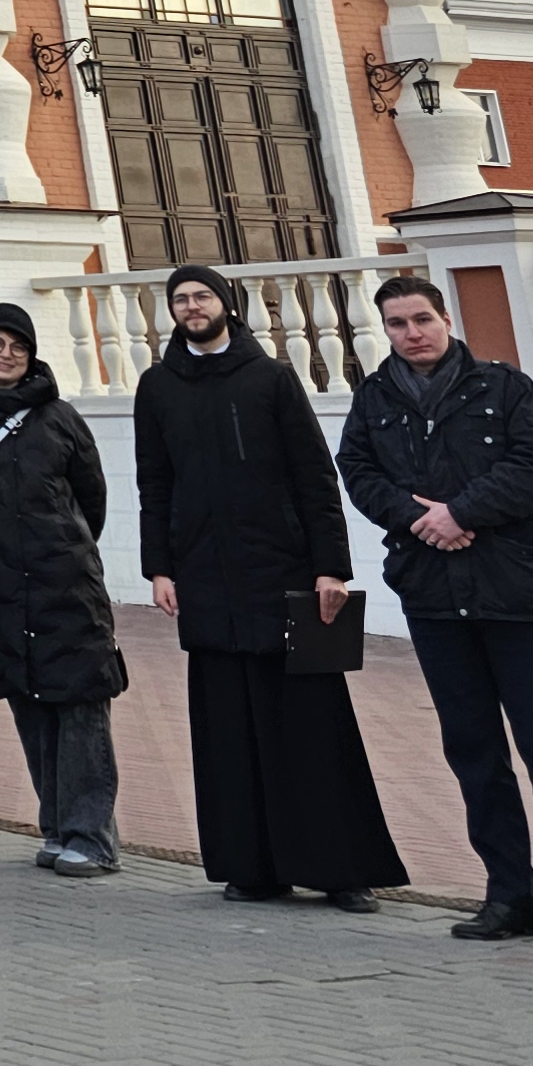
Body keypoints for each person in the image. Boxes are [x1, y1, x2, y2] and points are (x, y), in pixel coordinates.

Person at [337, 274, 533, 950]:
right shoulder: (374, 400)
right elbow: (359, 473)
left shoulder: (504, 387)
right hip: (434, 599)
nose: (413, 333)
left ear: (446, 319)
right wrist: (420, 519)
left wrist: (461, 512)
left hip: (515, 597)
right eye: (399, 323)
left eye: (423, 318)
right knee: (474, 755)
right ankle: (509, 896)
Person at [138, 265, 406, 910]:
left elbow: (315, 479)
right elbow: (156, 483)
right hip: (205, 579)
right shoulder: (158, 387)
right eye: (180, 300)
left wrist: (330, 567)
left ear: (225, 305)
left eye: (201, 296)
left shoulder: (271, 378)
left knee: (314, 727)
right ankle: (251, 866)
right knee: (227, 728)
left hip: (286, 577)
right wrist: (160, 568)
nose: (191, 307)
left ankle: (343, 870)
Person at [0, 304, 127, 878]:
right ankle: (57, 828)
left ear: (31, 353)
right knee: (31, 702)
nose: (7, 353)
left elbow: (92, 499)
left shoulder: (58, 416)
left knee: (83, 704)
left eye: (18, 344)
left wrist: (63, 548)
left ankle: (92, 837)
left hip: (66, 585)